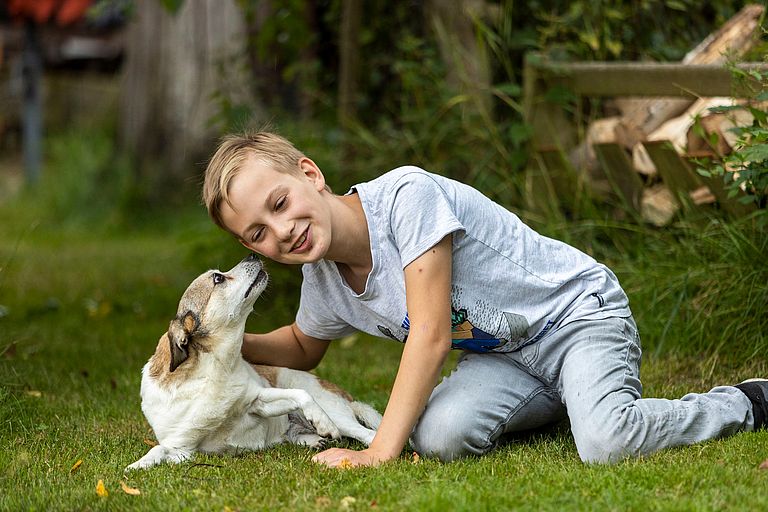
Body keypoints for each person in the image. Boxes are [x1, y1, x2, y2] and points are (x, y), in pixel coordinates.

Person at [201, 131, 767, 468]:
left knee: (607, 443)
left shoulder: (405, 197)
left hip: (575, 317)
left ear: (311, 174)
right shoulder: (323, 281)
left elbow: (431, 333)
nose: (281, 232)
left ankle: (743, 402)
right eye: (257, 234)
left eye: (279, 204)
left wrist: (378, 453)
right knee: (440, 438)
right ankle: (570, 404)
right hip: (504, 360)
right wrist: (220, 343)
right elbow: (301, 347)